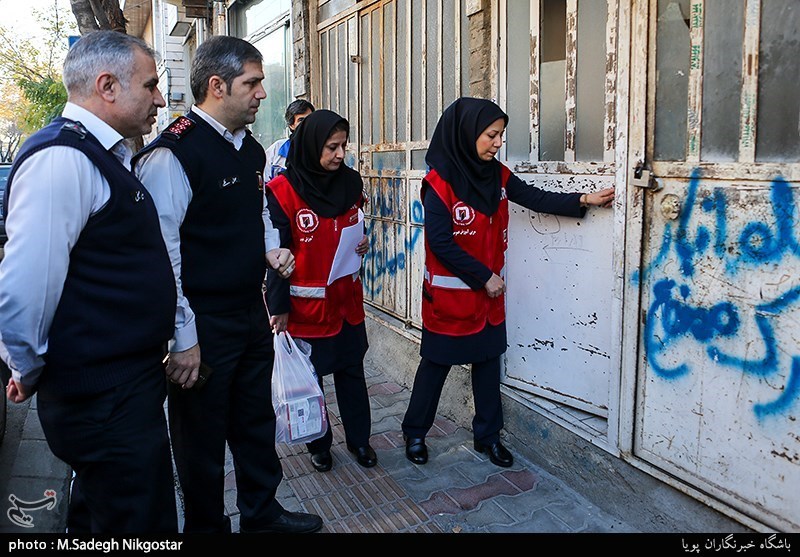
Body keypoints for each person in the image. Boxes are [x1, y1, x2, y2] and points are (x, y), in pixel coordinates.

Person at [133, 35, 322, 534]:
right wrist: (183, 338)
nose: (263, 92)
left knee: (255, 423)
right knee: (200, 438)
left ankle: (262, 516)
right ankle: (205, 528)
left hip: (249, 313)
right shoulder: (172, 155)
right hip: (202, 324)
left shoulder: (252, 150)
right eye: (252, 83)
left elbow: (257, 210)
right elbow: (163, 254)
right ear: (217, 86)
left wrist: (269, 248)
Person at [0, 30, 177, 533]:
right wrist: (27, 367)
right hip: (102, 400)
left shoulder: (101, 155)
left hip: (118, 393)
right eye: (150, 86)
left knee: (104, 514)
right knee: (138, 524)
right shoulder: (63, 159)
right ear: (107, 86)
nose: (160, 99)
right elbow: (24, 290)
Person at [401, 97, 615, 468]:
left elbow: (532, 196)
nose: (498, 143)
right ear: (467, 134)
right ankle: (415, 433)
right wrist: (483, 276)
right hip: (450, 301)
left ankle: (487, 437)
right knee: (435, 366)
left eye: (500, 135)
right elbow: (440, 241)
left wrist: (583, 198)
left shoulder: (498, 175)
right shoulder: (438, 184)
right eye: (491, 135)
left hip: (487, 300)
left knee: (488, 366)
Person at [265, 109, 375, 473]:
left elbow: (356, 226)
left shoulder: (352, 184)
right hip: (305, 311)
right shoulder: (282, 192)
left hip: (346, 305)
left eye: (344, 146)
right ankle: (319, 443)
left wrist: (363, 242)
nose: (340, 155)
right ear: (312, 146)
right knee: (311, 383)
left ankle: (360, 441)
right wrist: (277, 308)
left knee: (352, 375)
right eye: (331, 147)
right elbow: (276, 255)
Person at [265, 99, 315, 180]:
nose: (306, 124)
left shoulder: (321, 150)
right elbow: (265, 182)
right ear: (291, 125)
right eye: (301, 120)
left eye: (309, 119)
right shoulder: (276, 150)